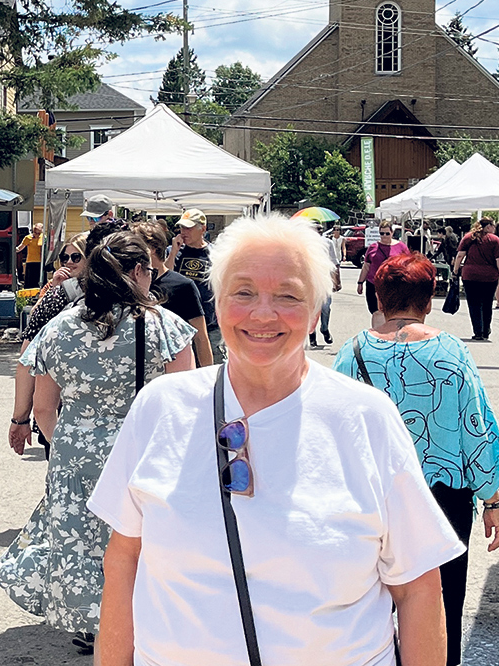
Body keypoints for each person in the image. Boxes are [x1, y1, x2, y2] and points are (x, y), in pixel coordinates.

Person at [90, 215, 464, 666]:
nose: (262, 314)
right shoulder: (160, 407)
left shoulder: (365, 418)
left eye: (287, 296)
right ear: (218, 302)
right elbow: (124, 560)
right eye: (243, 292)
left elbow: (418, 587)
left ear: (314, 314)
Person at [0, 232, 196, 653]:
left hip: (75, 461)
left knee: (89, 566)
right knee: (142, 563)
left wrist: (70, 446)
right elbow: (185, 409)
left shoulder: (59, 328)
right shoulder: (164, 326)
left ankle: (104, 641)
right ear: (139, 271)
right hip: (143, 460)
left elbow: (45, 409)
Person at [333, 252, 499, 666]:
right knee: (439, 608)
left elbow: (331, 433)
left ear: (379, 299)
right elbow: (476, 428)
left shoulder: (351, 352)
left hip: (369, 502)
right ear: (428, 301)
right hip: (442, 503)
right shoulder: (451, 353)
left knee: (366, 607)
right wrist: (492, 500)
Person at [10, 227, 109, 456]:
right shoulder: (56, 292)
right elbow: (32, 327)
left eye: (76, 257)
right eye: (65, 257)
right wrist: (54, 287)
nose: (69, 262)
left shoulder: (106, 295)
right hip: (59, 401)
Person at [132, 220, 212, 367]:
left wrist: (209, 379)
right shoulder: (131, 283)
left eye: (136, 246)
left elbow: (201, 337)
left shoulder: (182, 286)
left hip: (176, 366)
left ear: (153, 248)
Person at [165, 208, 223, 364]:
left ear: (202, 229)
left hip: (209, 324)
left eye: (189, 228)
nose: (184, 232)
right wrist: (173, 253)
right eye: (182, 227)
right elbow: (164, 278)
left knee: (210, 370)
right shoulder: (172, 250)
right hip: (178, 325)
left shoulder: (215, 254)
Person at [453, 217, 499, 341]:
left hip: (470, 276)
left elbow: (460, 255)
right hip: (489, 276)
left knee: (474, 304)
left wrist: (455, 270)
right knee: (487, 303)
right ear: (488, 227)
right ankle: (486, 330)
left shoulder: (468, 237)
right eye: (493, 226)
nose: (494, 228)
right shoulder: (494, 240)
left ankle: (478, 331)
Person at [356, 219, 408, 328]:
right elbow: (366, 267)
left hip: (393, 284)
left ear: (392, 233)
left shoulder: (401, 247)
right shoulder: (373, 247)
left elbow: (407, 266)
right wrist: (360, 282)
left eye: (387, 233)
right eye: (381, 233)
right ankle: (378, 337)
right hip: (373, 284)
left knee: (393, 312)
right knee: (376, 311)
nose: (384, 236)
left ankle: (391, 334)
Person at [308, 221, 342, 347]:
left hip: (325, 279)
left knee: (325, 307)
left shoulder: (328, 243)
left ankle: (324, 328)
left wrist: (337, 280)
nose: (318, 232)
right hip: (310, 281)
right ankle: (312, 334)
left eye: (319, 230)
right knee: (312, 309)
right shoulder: (306, 244)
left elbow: (335, 262)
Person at [16, 222, 45, 286]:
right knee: (30, 282)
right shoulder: (28, 238)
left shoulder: (43, 238)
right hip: (30, 261)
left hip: (40, 262)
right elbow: (20, 248)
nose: (36, 235)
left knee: (39, 281)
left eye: (38, 233)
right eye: (35, 232)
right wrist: (13, 250)